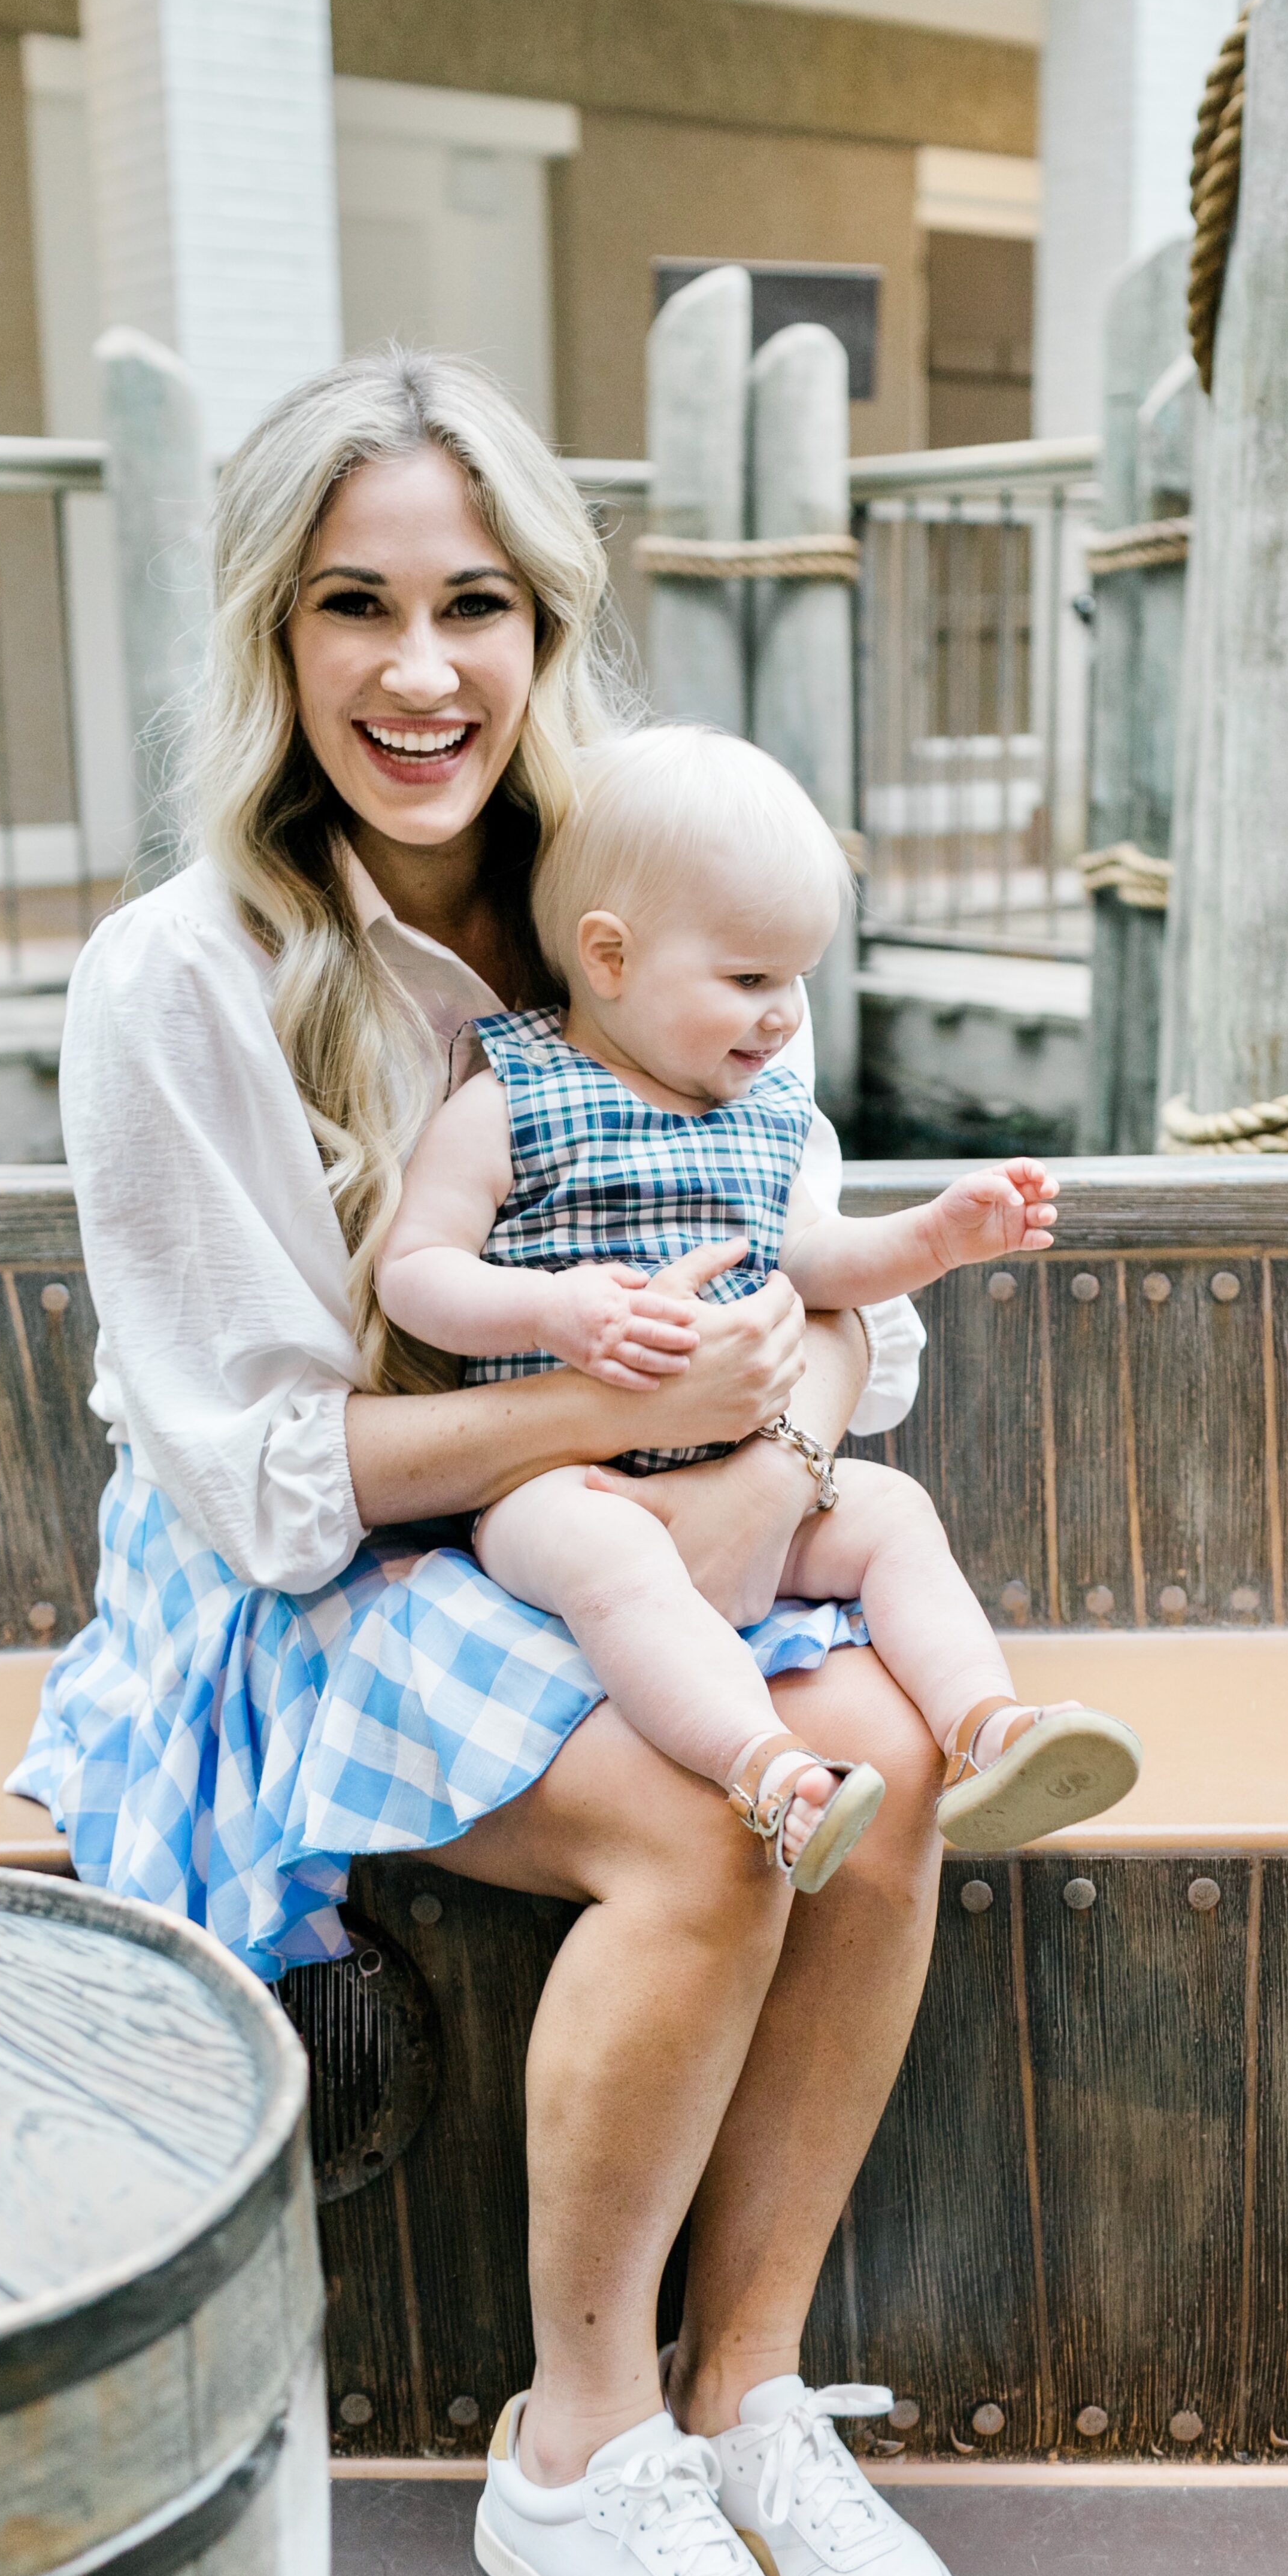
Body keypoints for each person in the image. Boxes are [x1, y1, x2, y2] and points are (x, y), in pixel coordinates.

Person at [13, 347, 987, 2576]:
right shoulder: (188, 976)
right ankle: (572, 2451)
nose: (422, 672)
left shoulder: (643, 904)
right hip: (314, 1576)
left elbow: (824, 1288)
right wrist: (609, 1408)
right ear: (273, 635)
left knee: (867, 1749)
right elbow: (257, 1474)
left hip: (646, 1520)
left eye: (474, 605)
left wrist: (791, 1396)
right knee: (701, 1812)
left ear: (545, 631)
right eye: (354, 605)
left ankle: (747, 2395)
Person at [378, 723, 1142, 1891]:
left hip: (743, 1474)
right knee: (609, 1559)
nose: (781, 1016)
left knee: (891, 1514)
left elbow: (813, 1264)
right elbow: (415, 1272)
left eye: (793, 979)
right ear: (608, 956)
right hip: (561, 1485)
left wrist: (933, 1237)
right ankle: (771, 1772)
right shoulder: (509, 1099)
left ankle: (988, 1729)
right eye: (745, 980)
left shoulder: (761, 1112)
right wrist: (551, 1310)